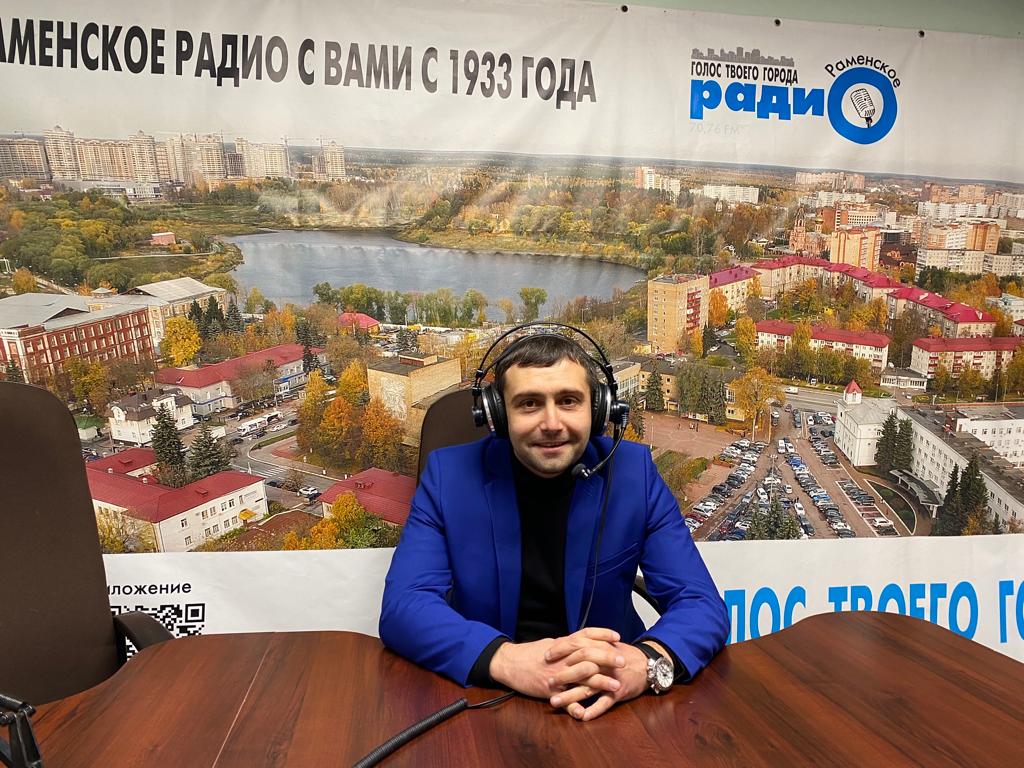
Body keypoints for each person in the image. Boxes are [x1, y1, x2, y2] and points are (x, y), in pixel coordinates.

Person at [380, 333, 729, 721]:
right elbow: (404, 606)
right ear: (497, 414)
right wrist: (505, 660)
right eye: (529, 403)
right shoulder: (448, 476)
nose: (551, 423)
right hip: (492, 697)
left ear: (598, 409)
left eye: (568, 401)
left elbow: (702, 605)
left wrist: (646, 663)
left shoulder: (635, 473)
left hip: (609, 697)